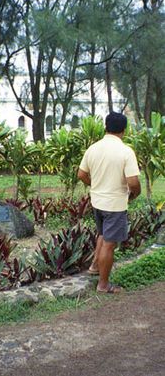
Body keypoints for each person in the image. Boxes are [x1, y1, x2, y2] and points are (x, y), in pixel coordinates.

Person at [78, 112, 141, 294]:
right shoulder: (126, 152)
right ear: (124, 130)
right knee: (109, 243)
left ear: (105, 127)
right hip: (115, 204)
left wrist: (94, 184)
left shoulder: (93, 148)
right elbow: (133, 182)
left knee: (102, 234)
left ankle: (95, 267)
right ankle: (103, 285)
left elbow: (81, 174)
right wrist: (135, 194)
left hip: (97, 201)